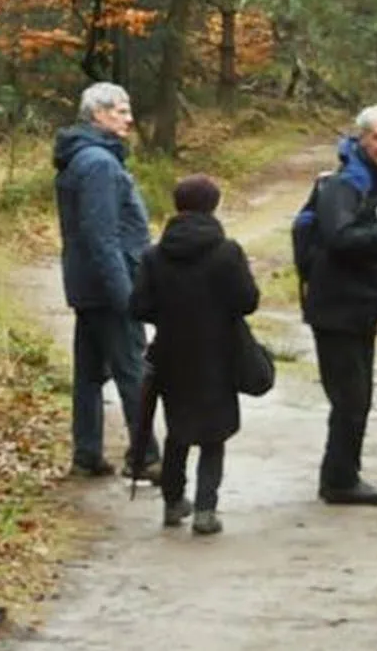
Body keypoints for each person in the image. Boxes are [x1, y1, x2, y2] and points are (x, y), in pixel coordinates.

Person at [131, 174, 260, 537]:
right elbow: (248, 301)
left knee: (178, 432)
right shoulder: (227, 252)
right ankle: (206, 509)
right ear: (213, 206)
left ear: (177, 206)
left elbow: (138, 307)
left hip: (171, 354)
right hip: (219, 354)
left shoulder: (154, 256)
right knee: (213, 435)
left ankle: (173, 503)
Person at [300, 104, 377, 505]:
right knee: (351, 398)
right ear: (361, 138)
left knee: (357, 398)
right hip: (335, 309)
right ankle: (339, 480)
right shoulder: (345, 184)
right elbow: (339, 238)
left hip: (363, 308)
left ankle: (342, 474)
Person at [51, 82, 159, 480]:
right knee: (134, 370)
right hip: (109, 288)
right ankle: (146, 457)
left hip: (89, 287)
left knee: (90, 374)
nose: (129, 118)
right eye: (120, 111)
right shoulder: (98, 163)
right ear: (97, 115)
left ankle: (87, 454)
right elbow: (103, 236)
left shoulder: (86, 157)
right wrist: (127, 296)